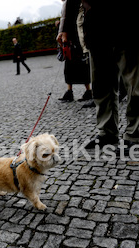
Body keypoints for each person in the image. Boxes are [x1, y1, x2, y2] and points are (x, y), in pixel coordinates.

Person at [60, 0, 139, 154]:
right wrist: (65, 28)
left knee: (134, 84)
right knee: (101, 85)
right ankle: (107, 133)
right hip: (96, 27)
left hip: (127, 21)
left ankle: (135, 135)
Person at [56, 0, 93, 103]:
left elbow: (65, 18)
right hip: (72, 37)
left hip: (76, 36)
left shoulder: (70, 3)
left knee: (81, 64)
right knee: (71, 65)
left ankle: (87, 90)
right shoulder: (67, 4)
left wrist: (62, 32)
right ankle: (71, 90)